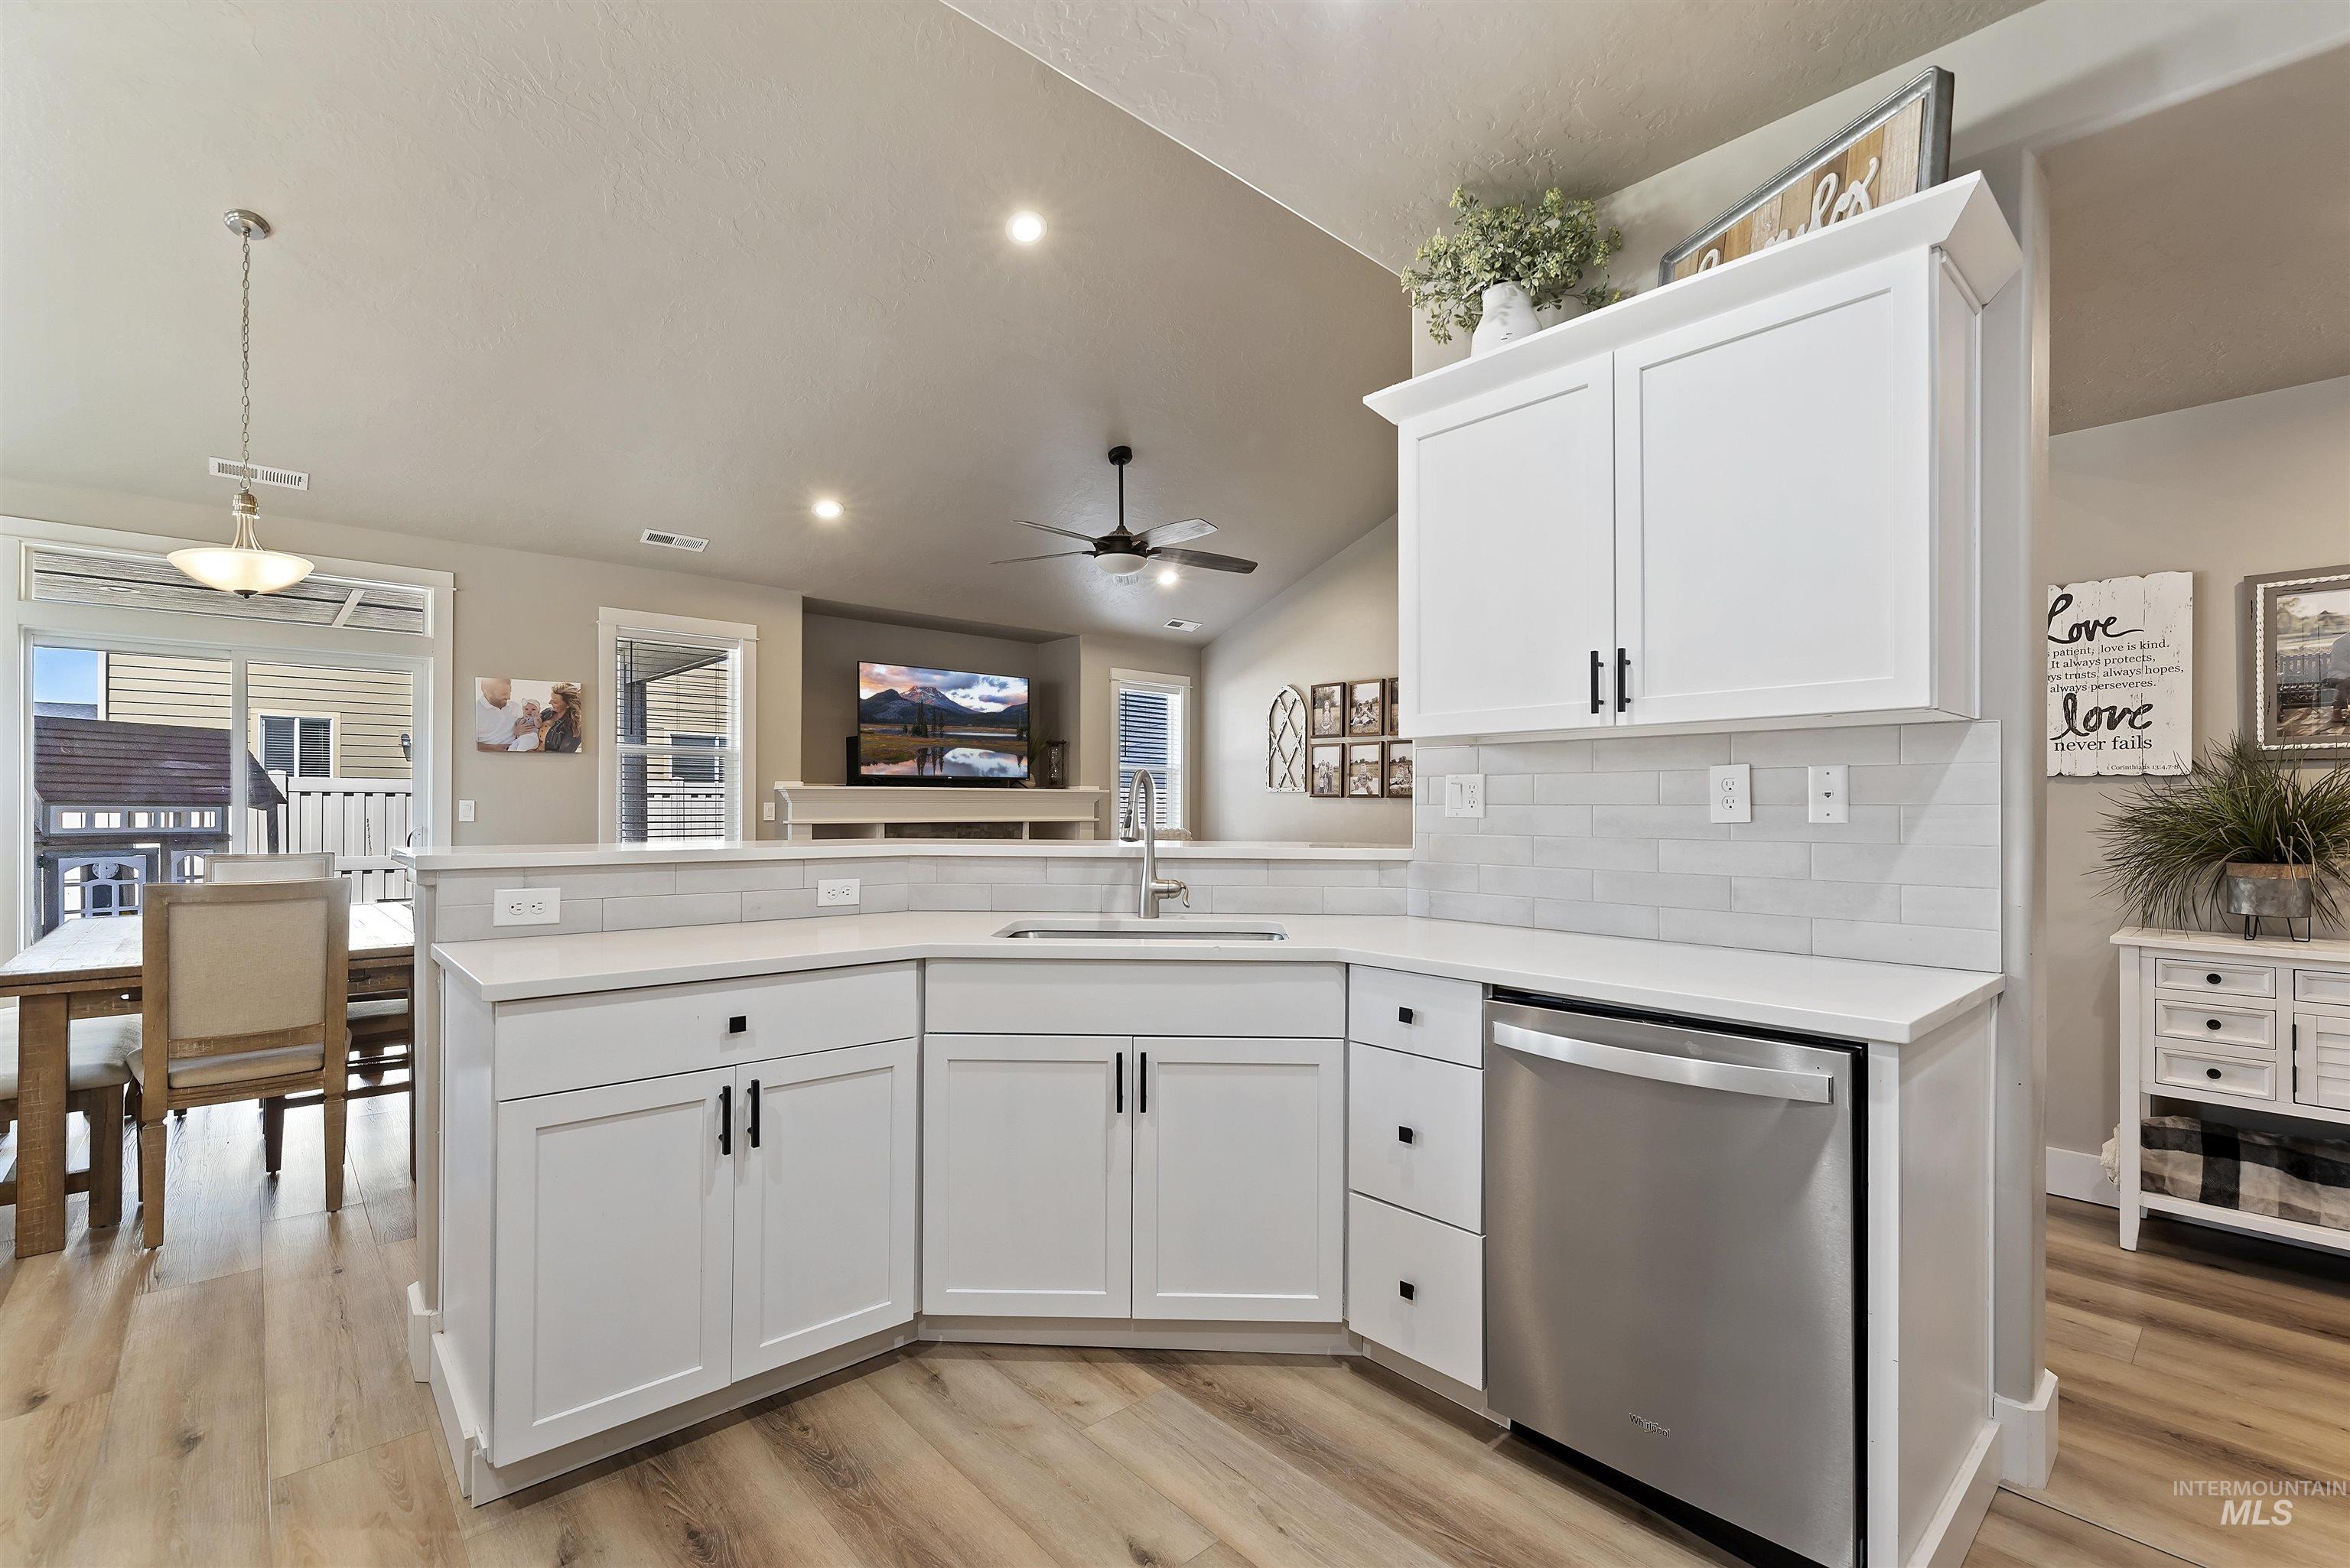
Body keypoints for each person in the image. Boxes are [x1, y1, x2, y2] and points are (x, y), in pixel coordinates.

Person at [474, 678, 538, 753]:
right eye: (503, 694)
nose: (509, 697)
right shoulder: (473, 710)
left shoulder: (516, 707)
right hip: (488, 757)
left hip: (515, 753)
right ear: (487, 692)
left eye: (509, 693)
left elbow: (525, 729)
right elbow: (465, 743)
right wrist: (492, 748)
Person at [535, 683, 583, 754]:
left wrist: (534, 754)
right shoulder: (547, 712)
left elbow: (564, 756)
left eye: (554, 702)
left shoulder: (575, 726)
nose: (549, 702)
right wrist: (518, 731)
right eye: (551, 699)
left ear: (568, 705)